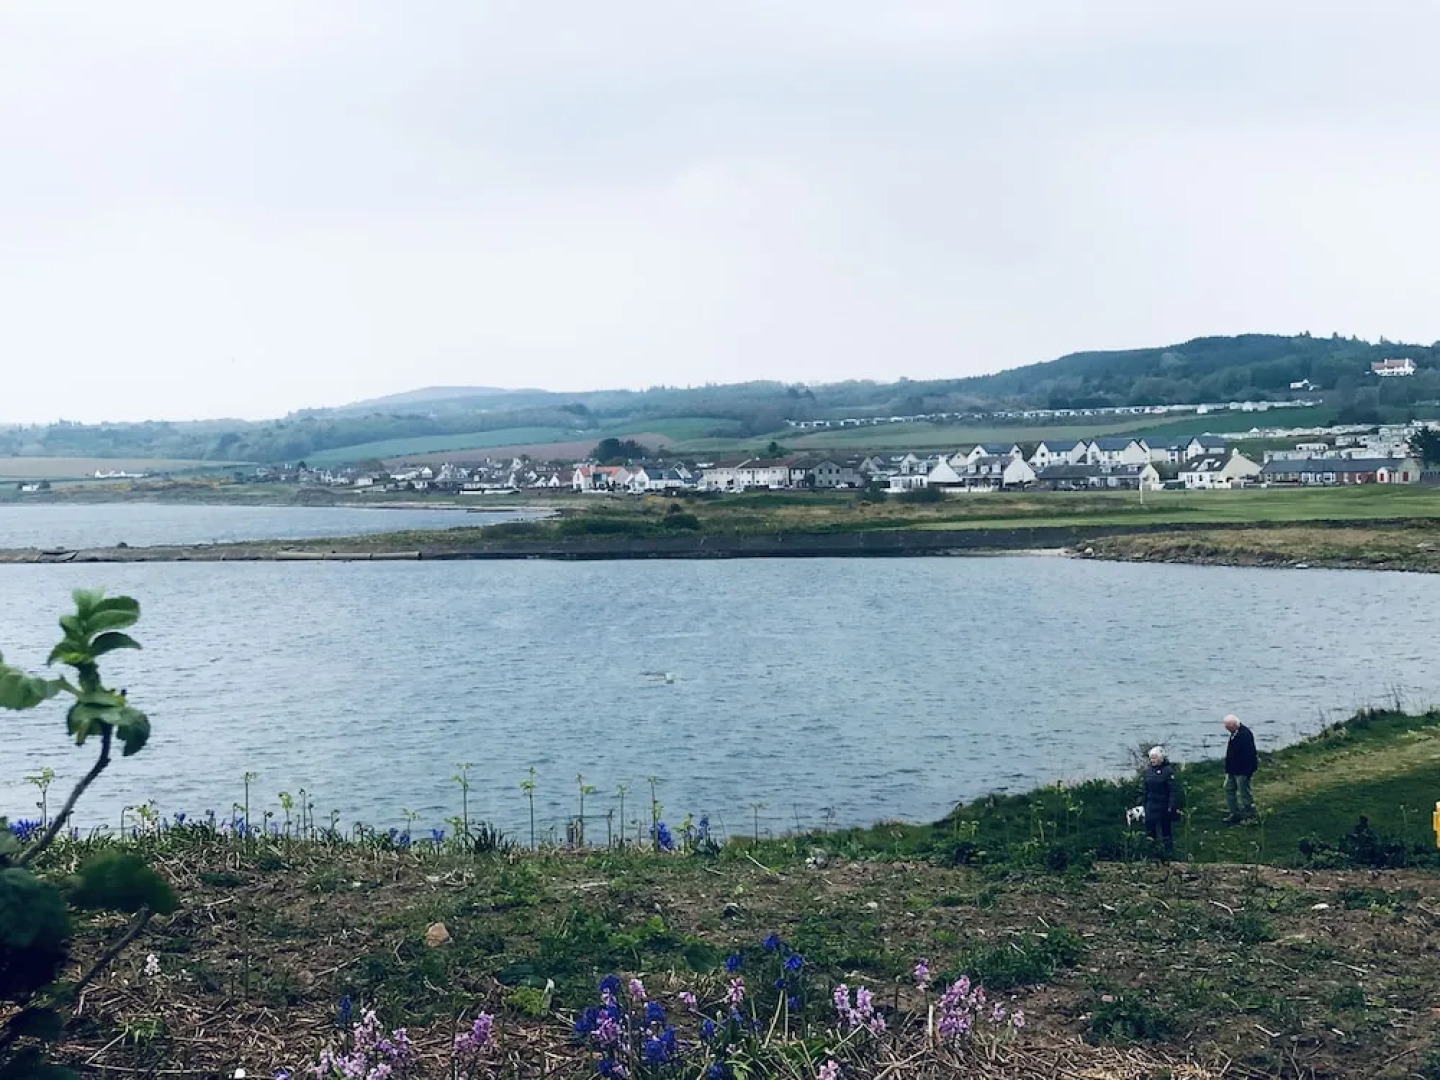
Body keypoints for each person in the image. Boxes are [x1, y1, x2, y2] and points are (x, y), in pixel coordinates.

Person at [1142, 746, 1180, 854]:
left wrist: (1172, 805)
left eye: (1154, 758)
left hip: (1163, 804)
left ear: (1161, 758)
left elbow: (1173, 790)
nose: (1152, 760)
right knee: (1150, 829)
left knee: (1165, 830)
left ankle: (1168, 853)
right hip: (1151, 804)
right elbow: (1145, 789)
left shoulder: (1168, 771)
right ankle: (1151, 852)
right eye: (1151, 758)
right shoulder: (1148, 771)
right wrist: (1144, 804)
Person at [1223, 713, 1258, 823]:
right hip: (1232, 769)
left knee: (1244, 793)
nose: (1227, 730)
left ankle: (1251, 816)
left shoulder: (1245, 735)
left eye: (1228, 727)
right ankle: (1234, 813)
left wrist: (1248, 772)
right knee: (1229, 789)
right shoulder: (1234, 733)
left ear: (1234, 725)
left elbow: (1250, 755)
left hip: (1243, 770)